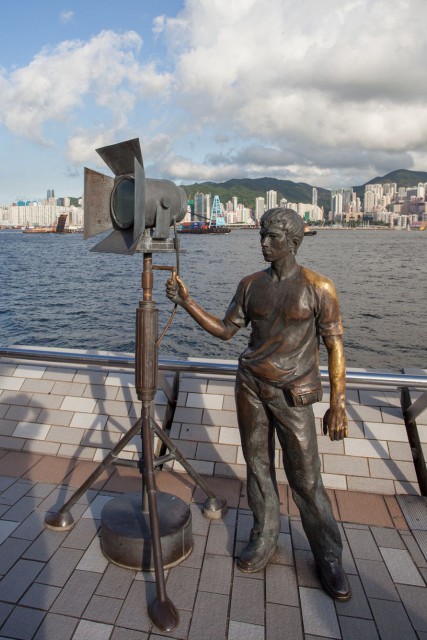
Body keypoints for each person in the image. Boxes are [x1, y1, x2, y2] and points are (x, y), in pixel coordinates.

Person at [166, 207, 351, 601]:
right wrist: (186, 301)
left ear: (293, 241)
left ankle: (328, 555)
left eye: (273, 237)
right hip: (250, 385)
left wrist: (339, 404)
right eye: (262, 236)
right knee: (258, 466)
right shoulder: (250, 285)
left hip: (293, 393)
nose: (264, 243)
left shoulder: (320, 288)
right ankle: (264, 535)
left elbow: (335, 346)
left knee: (306, 479)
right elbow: (225, 331)